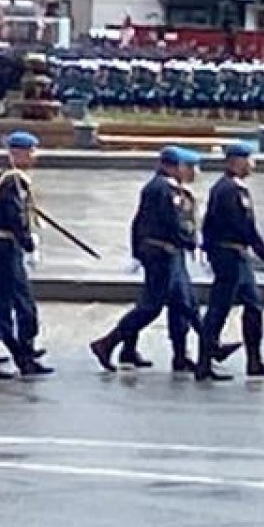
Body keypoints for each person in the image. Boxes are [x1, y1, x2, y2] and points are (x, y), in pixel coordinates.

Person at [89, 146, 211, 374]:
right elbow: (173, 224)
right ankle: (107, 343)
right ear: (176, 167)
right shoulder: (163, 190)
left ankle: (185, 353)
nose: (196, 173)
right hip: (163, 256)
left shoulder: (167, 188)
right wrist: (195, 243)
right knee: (152, 307)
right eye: (191, 167)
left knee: (185, 304)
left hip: (169, 254)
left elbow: (139, 222)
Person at [198, 142, 264, 382]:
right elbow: (244, 227)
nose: (252, 164)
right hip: (229, 256)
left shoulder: (233, 188)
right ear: (236, 161)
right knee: (219, 309)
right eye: (249, 159)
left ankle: (254, 360)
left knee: (253, 306)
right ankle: (204, 364)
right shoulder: (229, 190)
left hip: (237, 256)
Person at [0, 131, 52, 378]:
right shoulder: (13, 180)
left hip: (2, 247)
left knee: (5, 304)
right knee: (16, 303)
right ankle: (23, 355)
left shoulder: (8, 178)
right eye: (31, 151)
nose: (35, 156)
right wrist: (28, 242)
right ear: (17, 153)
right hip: (5, 248)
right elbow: (15, 216)